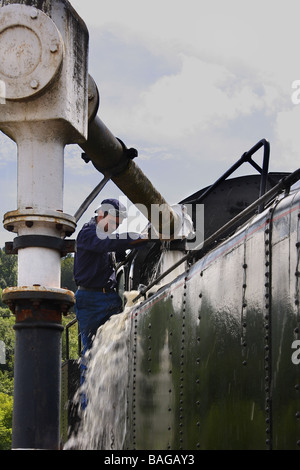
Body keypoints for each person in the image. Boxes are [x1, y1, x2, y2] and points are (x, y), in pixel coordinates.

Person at [73, 198, 147, 401]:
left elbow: (117, 248)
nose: (117, 225)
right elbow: (107, 243)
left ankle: (113, 398)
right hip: (90, 299)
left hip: (110, 297)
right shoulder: (88, 233)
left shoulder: (105, 236)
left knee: (119, 346)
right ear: (101, 215)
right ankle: (89, 405)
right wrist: (137, 237)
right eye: (115, 221)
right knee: (91, 353)